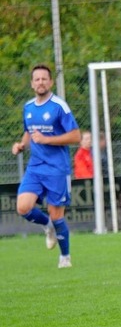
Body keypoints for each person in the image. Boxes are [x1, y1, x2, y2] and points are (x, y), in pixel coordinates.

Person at [11, 64, 81, 269]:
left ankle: (65, 258)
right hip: (35, 167)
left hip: (57, 168)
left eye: (44, 79)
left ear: (50, 82)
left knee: (57, 214)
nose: (41, 82)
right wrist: (22, 145)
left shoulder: (59, 106)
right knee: (23, 207)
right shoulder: (28, 107)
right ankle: (46, 226)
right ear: (32, 84)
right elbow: (29, 131)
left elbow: (76, 136)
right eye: (37, 79)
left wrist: (46, 140)